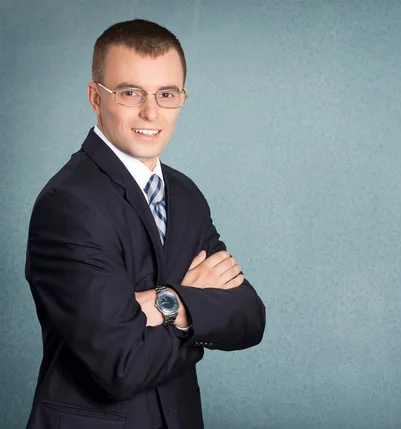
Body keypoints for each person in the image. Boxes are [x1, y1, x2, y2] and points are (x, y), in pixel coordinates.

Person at [24, 19, 266, 429]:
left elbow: (249, 316)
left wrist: (159, 304)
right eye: (130, 92)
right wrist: (190, 299)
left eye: (166, 94)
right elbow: (123, 365)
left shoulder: (185, 194)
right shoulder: (68, 203)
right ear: (95, 98)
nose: (151, 112)